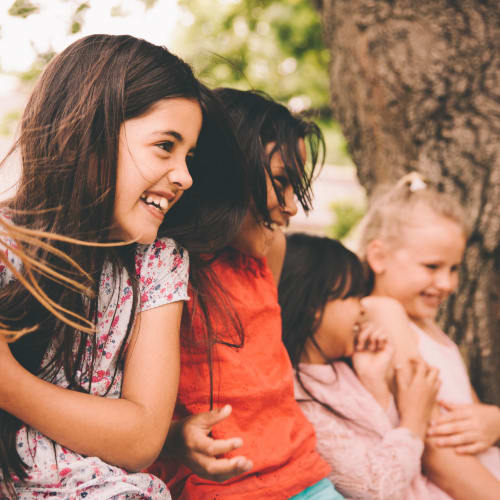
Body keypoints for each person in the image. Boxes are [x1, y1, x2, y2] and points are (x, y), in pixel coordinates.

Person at [0, 34, 248, 499]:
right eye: (164, 146)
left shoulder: (157, 264)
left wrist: (9, 384)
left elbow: (139, 438)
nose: (185, 176)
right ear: (88, 133)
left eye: (189, 156)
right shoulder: (6, 250)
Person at [148, 89, 344, 499]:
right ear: (225, 171)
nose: (292, 207)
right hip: (219, 489)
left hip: (306, 477)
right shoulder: (162, 270)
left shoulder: (265, 254)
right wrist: (173, 438)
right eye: (281, 182)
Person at [278, 232, 455, 500]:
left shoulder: (342, 369)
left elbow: (383, 438)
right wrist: (414, 421)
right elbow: (375, 486)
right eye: (353, 298)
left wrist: (374, 380)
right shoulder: (299, 400)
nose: (362, 310)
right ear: (314, 306)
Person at [358, 172, 500, 499]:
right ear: (379, 257)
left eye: (454, 268)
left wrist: (493, 420)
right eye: (432, 267)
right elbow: (436, 453)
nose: (448, 284)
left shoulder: (427, 327)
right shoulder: (383, 312)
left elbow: (469, 416)